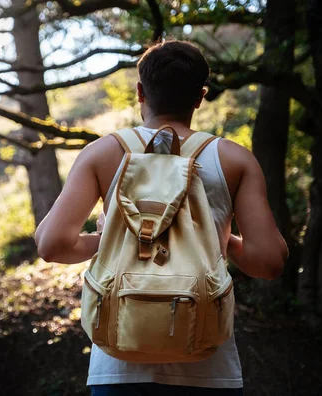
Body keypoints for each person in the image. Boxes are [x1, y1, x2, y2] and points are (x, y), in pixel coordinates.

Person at [34, 40, 288, 396]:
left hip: (118, 367)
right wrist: (218, 238)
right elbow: (268, 262)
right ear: (200, 96)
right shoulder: (234, 159)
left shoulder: (103, 153)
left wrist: (104, 238)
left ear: (140, 91)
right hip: (208, 366)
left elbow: (51, 244)